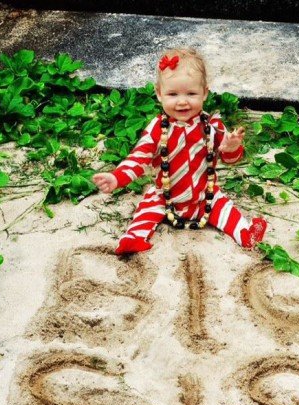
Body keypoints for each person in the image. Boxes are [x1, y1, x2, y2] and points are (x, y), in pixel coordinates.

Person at [92, 48, 267, 255]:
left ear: (205, 93)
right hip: (165, 197)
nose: (182, 101)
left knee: (225, 208)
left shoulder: (213, 125)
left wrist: (231, 148)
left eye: (191, 94)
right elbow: (139, 158)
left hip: (204, 196)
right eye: (173, 94)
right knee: (146, 210)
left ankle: (245, 234)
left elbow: (231, 159)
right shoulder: (158, 128)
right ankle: (133, 239)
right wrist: (116, 178)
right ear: (159, 94)